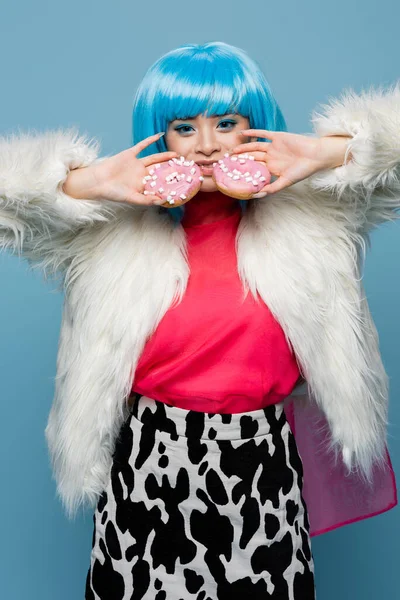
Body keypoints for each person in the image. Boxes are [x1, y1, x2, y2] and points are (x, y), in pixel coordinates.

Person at [1, 41, 398, 599]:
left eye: (227, 122)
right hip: (149, 466)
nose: (208, 146)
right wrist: (81, 185)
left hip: (262, 467)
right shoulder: (105, 231)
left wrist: (330, 152)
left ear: (254, 126)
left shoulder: (317, 215)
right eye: (185, 127)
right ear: (160, 136)